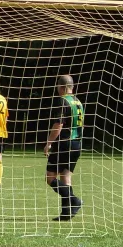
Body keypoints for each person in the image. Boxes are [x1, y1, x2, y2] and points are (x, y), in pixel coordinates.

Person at [44, 75, 83, 221]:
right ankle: (66, 213)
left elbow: (58, 124)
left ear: (61, 87)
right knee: (66, 178)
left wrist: (49, 142)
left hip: (64, 144)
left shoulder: (63, 101)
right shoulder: (78, 102)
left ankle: (75, 200)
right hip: (77, 144)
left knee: (50, 177)